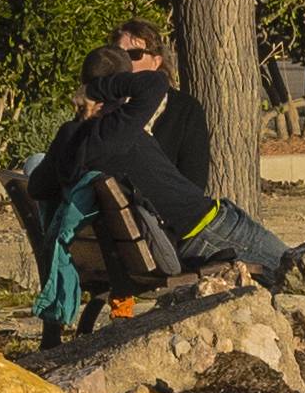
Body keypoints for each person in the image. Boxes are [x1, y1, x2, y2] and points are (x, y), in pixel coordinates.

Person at [18, 27, 218, 338]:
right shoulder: (119, 131)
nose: (129, 62)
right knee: (279, 262)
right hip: (160, 245)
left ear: (156, 59)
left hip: (122, 246)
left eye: (134, 54)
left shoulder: (79, 133)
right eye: (122, 55)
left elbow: (38, 186)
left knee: (35, 162)